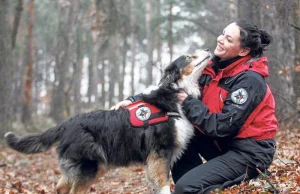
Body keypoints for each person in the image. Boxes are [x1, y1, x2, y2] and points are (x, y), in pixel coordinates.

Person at [112, 19, 277, 194]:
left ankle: (246, 176)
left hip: (248, 152)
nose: (220, 39)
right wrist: (133, 101)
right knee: (173, 141)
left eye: (229, 39)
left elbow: (223, 126)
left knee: (186, 187)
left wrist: (187, 102)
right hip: (221, 144)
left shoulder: (249, 80)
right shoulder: (212, 66)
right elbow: (172, 86)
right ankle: (201, 181)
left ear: (243, 51)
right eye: (222, 33)